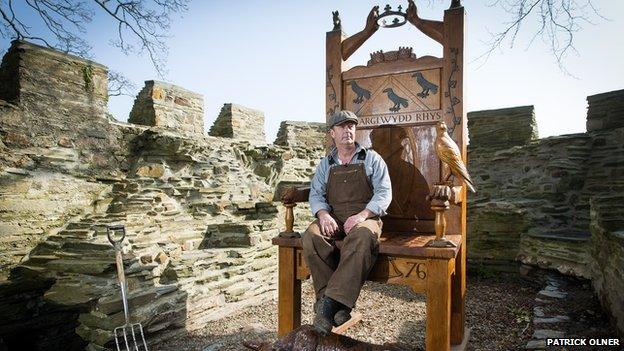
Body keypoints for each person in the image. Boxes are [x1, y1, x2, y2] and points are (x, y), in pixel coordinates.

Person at [302, 110, 392, 335]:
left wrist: (362, 215)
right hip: (333, 218)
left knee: (362, 237)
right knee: (311, 236)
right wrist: (322, 214)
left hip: (366, 218)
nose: (347, 130)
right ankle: (338, 306)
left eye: (351, 126)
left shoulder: (372, 159)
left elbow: (384, 193)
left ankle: (327, 305)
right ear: (332, 133)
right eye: (342, 127)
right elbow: (316, 194)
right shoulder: (326, 164)